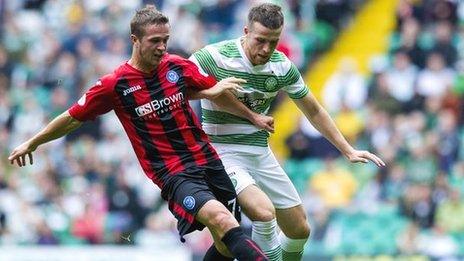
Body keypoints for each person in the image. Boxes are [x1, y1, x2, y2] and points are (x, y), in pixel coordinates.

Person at [8, 6, 271, 261]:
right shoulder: (115, 84)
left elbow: (213, 91)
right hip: (173, 172)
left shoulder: (177, 66)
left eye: (165, 40)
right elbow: (71, 117)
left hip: (208, 160)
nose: (162, 47)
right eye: (154, 40)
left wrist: (252, 116)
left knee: (226, 240)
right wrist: (33, 142)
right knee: (223, 220)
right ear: (135, 39)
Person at [190, 3, 385, 260]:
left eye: (273, 42)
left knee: (299, 229)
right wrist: (209, 92)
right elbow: (176, 87)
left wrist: (347, 149)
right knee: (264, 213)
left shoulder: (282, 66)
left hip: (260, 152)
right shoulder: (213, 56)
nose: (266, 49)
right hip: (223, 153)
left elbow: (313, 110)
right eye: (260, 40)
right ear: (246, 31)